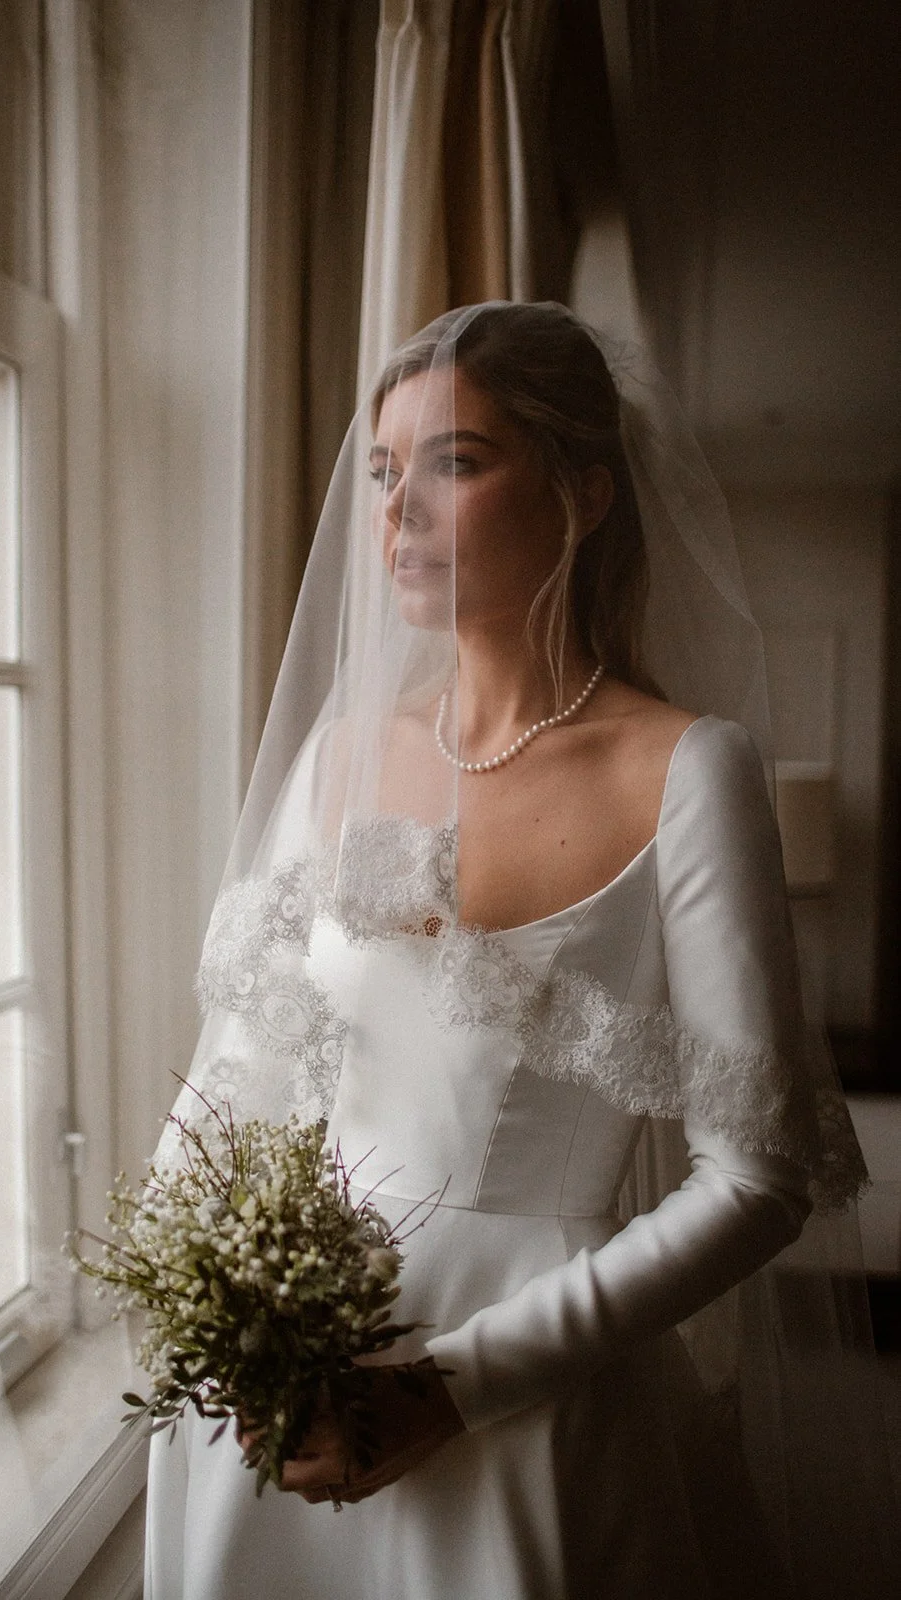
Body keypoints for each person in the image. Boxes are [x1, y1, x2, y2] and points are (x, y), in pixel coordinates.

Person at [144, 303, 895, 1599]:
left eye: (454, 461)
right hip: (274, 1378)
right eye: (383, 472)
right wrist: (199, 1317)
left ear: (583, 492)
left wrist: (454, 1385)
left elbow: (759, 1177)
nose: (398, 511)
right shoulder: (338, 747)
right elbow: (229, 1079)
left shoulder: (683, 769)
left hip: (524, 1380)